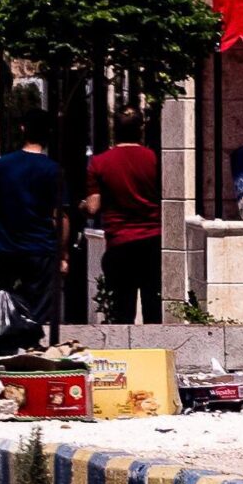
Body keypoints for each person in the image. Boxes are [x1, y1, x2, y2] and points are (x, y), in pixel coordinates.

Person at [0, 110, 66, 335]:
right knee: (37, 315)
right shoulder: (53, 170)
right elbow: (60, 217)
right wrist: (63, 254)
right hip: (41, 252)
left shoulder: (0, 166)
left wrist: (2, 236)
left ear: (23, 129)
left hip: (8, 252)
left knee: (5, 311)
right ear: (48, 133)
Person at [87, 108, 162, 324]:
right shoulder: (154, 159)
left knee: (122, 311)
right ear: (140, 129)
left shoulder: (99, 162)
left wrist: (82, 205)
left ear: (115, 129)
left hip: (119, 242)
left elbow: (92, 207)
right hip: (152, 241)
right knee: (153, 306)